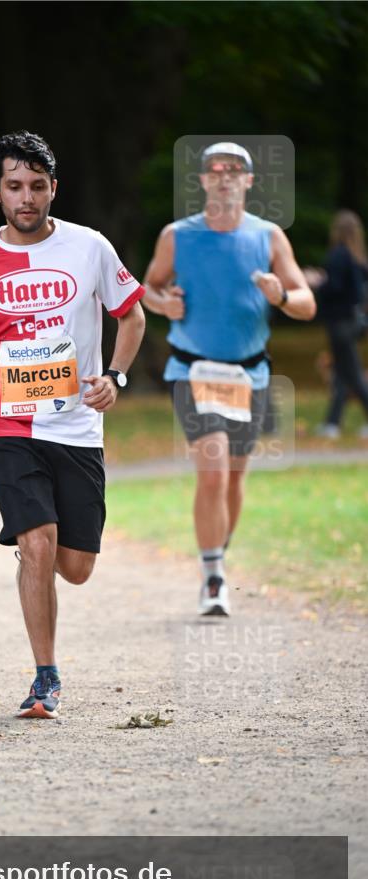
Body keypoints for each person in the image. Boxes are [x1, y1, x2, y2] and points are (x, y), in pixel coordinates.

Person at [0, 131, 145, 718]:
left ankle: (41, 548)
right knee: (38, 542)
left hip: (77, 425)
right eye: (14, 186)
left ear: (53, 188)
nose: (25, 197)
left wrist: (115, 376)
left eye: (36, 185)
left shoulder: (91, 248)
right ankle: (45, 679)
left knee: (75, 567)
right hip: (5, 420)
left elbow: (131, 318)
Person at [142, 142, 315, 616]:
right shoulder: (177, 235)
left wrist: (280, 295)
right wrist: (164, 304)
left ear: (249, 181)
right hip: (193, 369)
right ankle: (213, 577)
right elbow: (148, 287)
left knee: (235, 477)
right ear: (201, 180)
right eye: (215, 169)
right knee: (214, 469)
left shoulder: (269, 236)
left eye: (234, 170)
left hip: (249, 373)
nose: (224, 176)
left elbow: (306, 303)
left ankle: (218, 550)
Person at [304, 211, 368, 439]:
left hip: (340, 322)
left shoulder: (339, 255)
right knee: (342, 375)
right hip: (354, 321)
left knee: (353, 375)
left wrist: (318, 282)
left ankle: (334, 424)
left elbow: (335, 288)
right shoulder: (357, 257)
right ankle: (332, 424)